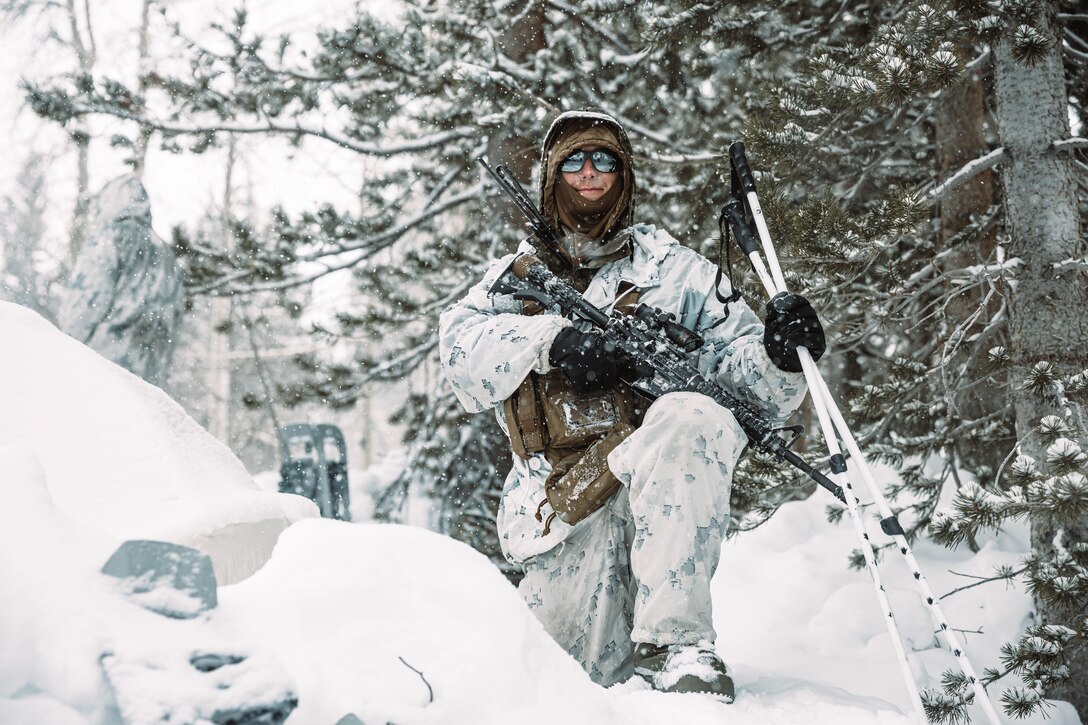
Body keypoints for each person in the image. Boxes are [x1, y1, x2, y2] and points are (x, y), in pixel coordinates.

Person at [439, 109, 825, 701]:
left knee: (694, 416)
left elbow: (750, 392)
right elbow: (458, 348)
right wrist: (553, 343)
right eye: (573, 160)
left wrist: (780, 354)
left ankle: (678, 646)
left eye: (604, 160)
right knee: (548, 693)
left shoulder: (677, 272)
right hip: (560, 514)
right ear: (551, 176)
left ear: (625, 175)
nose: (589, 172)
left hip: (663, 493)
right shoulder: (513, 277)